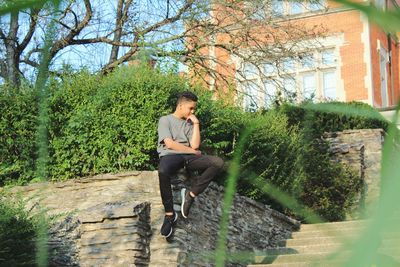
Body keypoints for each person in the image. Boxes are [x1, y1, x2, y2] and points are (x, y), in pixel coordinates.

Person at [157, 91, 224, 238]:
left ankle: (191, 195)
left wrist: (196, 123)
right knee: (163, 171)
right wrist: (193, 152)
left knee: (217, 162)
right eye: (191, 108)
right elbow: (170, 144)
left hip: (188, 157)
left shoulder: (189, 123)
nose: (193, 111)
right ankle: (169, 215)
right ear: (180, 105)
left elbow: (195, 145)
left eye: (194, 109)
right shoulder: (165, 120)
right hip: (171, 155)